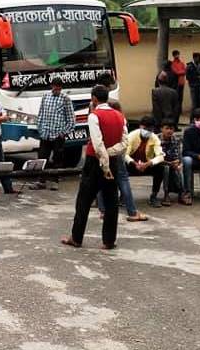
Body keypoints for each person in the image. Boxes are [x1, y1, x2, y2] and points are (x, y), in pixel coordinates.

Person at [61, 85, 127, 250]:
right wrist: (110, 154)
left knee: (83, 201)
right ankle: (109, 240)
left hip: (94, 162)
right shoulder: (120, 116)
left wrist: (104, 163)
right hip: (112, 160)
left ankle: (76, 237)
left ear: (94, 99)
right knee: (111, 201)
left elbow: (97, 144)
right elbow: (124, 143)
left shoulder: (94, 116)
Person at [96, 101, 148, 222]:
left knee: (102, 180)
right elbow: (124, 140)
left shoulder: (99, 118)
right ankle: (132, 212)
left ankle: (103, 210)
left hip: (102, 151)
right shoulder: (120, 119)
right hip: (117, 152)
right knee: (123, 180)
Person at [36, 77, 74, 190]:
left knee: (57, 159)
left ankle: (55, 181)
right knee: (42, 158)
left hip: (58, 135)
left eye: (59, 88)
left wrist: (64, 132)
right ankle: (41, 181)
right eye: (55, 87)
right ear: (52, 86)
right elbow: (41, 114)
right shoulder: (45, 96)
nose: (56, 90)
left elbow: (71, 119)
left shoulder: (65, 99)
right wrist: (40, 128)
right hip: (45, 134)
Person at [125, 116, 166, 209]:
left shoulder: (154, 138)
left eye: (150, 129)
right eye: (145, 128)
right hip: (132, 165)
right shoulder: (132, 136)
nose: (147, 131)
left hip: (147, 165)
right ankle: (124, 196)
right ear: (140, 126)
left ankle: (154, 196)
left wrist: (148, 164)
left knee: (160, 168)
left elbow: (161, 156)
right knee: (120, 167)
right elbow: (125, 154)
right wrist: (134, 163)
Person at [159, 120, 187, 204]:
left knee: (180, 168)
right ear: (161, 129)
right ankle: (166, 194)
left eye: (171, 129)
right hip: (160, 163)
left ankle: (182, 193)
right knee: (166, 169)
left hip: (172, 162)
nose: (169, 131)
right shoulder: (156, 139)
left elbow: (178, 153)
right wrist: (169, 163)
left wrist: (178, 162)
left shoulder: (176, 139)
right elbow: (156, 157)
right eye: (167, 128)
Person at [186, 52, 200, 119]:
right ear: (195, 58)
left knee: (199, 103)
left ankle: (198, 117)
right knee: (194, 104)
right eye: (199, 58)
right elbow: (188, 77)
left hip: (199, 86)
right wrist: (197, 77)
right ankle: (192, 118)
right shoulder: (190, 66)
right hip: (193, 86)